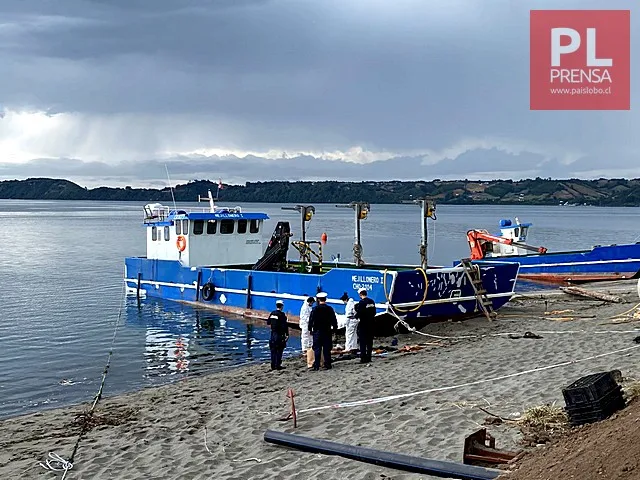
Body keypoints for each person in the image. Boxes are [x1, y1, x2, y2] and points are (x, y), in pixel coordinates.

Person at [308, 292, 338, 370]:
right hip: (327, 331)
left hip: (317, 331)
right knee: (326, 349)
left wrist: (309, 329)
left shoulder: (315, 309)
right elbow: (334, 320)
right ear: (325, 299)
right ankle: (327, 364)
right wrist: (335, 329)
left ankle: (317, 365)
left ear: (318, 299)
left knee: (317, 348)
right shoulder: (329, 309)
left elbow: (311, 320)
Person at [355, 288, 376, 363]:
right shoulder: (371, 301)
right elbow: (374, 312)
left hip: (363, 323)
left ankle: (363, 358)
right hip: (371, 323)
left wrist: (355, 316)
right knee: (370, 341)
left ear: (360, 294)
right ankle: (369, 357)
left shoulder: (361, 302)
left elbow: (359, 313)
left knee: (363, 342)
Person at [266, 300, 289, 371]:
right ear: (282, 306)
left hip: (273, 334)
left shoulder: (272, 313)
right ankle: (277, 365)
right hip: (280, 335)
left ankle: (273, 365)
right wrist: (287, 334)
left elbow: (268, 322)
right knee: (279, 350)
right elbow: (284, 326)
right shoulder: (282, 315)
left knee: (273, 350)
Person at [299, 296, 315, 368]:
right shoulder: (305, 308)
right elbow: (305, 317)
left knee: (310, 336)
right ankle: (305, 349)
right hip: (305, 324)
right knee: (305, 337)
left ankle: (310, 348)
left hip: (308, 324)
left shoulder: (308, 307)